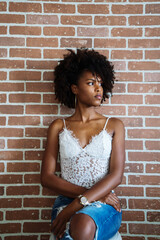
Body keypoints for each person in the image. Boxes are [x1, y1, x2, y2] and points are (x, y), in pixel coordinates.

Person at [41, 48, 125, 240]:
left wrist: (78, 205)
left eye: (101, 83)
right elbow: (46, 177)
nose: (98, 89)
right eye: (90, 83)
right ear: (74, 89)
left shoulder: (114, 125)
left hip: (105, 204)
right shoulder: (58, 127)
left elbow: (116, 175)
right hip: (66, 201)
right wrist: (84, 197)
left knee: (81, 223)